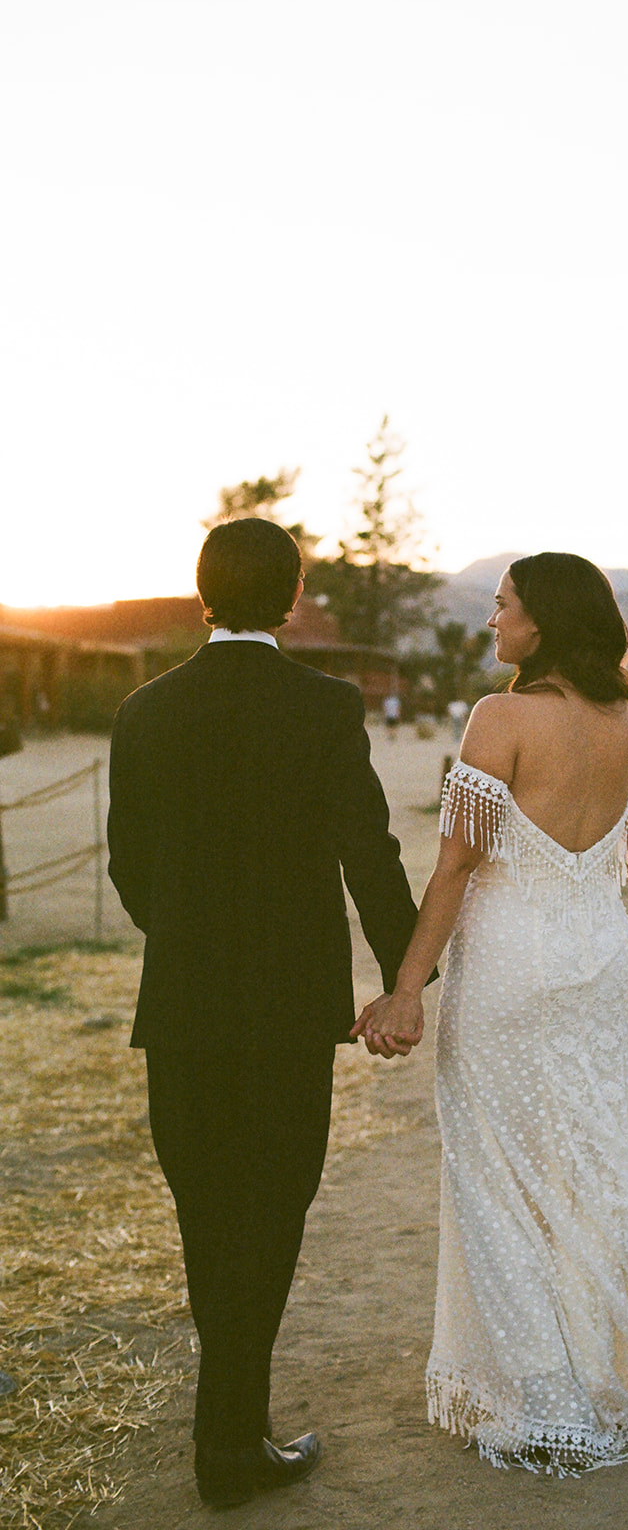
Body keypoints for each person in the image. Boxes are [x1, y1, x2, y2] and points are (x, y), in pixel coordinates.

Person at [353, 552, 628, 1474]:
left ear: (540, 622)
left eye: (501, 607)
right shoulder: (625, 727)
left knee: (495, 1176)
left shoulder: (499, 719)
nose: (490, 622)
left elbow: (458, 864)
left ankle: (546, 1400)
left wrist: (407, 988)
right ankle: (573, 1367)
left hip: (506, 969)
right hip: (596, 970)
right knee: (580, 1166)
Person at [108, 518, 424, 1509]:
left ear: (202, 591)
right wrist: (407, 975)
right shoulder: (324, 706)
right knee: (272, 1209)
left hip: (185, 1008)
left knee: (206, 1214)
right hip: (290, 1009)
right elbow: (368, 853)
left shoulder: (145, 710)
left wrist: (190, 943)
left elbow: (130, 864)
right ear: (292, 597)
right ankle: (231, 1444)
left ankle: (230, 1431)